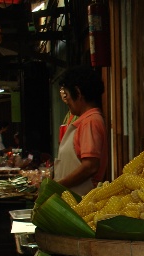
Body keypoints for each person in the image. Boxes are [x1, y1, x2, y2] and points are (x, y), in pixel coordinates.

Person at [54, 65, 108, 196]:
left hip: (83, 199)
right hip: (73, 200)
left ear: (77, 93)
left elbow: (90, 166)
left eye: (67, 95)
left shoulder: (91, 121)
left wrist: (59, 186)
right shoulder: (85, 120)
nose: (66, 101)